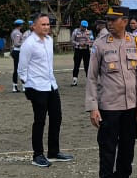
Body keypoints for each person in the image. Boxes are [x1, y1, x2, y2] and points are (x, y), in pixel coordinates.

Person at [86, 6, 137, 178]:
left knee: (127, 150)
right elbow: (92, 78)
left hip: (130, 107)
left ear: (125, 21)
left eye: (114, 20)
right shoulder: (100, 44)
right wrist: (93, 107)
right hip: (109, 108)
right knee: (108, 151)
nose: (110, 23)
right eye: (108, 20)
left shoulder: (134, 42)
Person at [19, 14, 72, 168]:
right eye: (43, 24)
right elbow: (22, 68)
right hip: (36, 87)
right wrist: (27, 86)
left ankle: (54, 151)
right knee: (40, 121)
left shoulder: (49, 41)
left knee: (57, 117)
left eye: (48, 24)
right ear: (34, 26)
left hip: (51, 85)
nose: (46, 27)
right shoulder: (29, 44)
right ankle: (37, 155)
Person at [70, 20, 93, 87]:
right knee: (76, 65)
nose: (84, 28)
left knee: (87, 66)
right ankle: (75, 81)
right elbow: (72, 40)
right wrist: (78, 44)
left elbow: (92, 41)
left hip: (86, 50)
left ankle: (89, 81)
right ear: (80, 25)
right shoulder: (75, 31)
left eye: (85, 27)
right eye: (83, 27)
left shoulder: (89, 32)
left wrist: (86, 43)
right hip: (78, 50)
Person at [10, 19, 26, 93]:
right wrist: (24, 43)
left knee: (17, 69)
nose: (23, 25)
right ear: (20, 25)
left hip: (16, 52)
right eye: (22, 24)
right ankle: (23, 86)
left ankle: (15, 86)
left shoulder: (14, 31)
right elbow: (16, 43)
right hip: (17, 52)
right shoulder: (18, 33)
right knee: (21, 69)